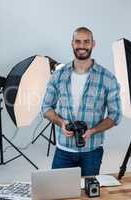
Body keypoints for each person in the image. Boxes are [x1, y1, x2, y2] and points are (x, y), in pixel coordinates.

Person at [42, 27, 122, 176]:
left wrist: (93, 130)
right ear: (72, 43)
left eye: (86, 42)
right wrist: (61, 122)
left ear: (93, 44)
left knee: (88, 194)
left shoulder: (107, 78)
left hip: (92, 151)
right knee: (58, 193)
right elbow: (46, 107)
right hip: (63, 150)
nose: (82, 46)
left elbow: (115, 115)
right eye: (78, 41)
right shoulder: (59, 75)